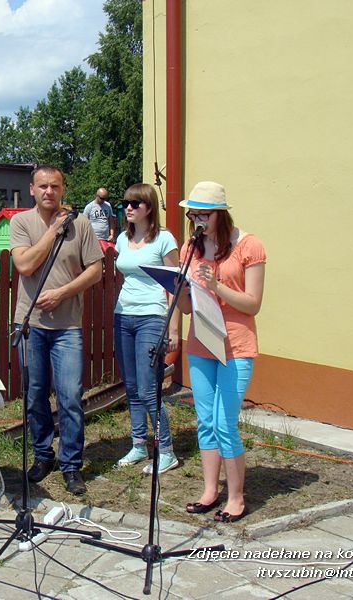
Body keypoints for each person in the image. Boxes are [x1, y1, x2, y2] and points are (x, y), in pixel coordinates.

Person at [10, 165, 104, 495]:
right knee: (35, 395)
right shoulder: (21, 222)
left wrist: (63, 292)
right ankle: (42, 454)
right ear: (32, 189)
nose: (49, 191)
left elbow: (95, 270)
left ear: (63, 189)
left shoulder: (81, 225)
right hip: (30, 325)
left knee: (70, 397)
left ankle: (71, 465)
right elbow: (24, 264)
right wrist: (53, 231)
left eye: (55, 186)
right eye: (43, 186)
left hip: (68, 327)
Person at [176, 181, 266, 523]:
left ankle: (237, 497)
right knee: (206, 421)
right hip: (201, 343)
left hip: (236, 345)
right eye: (193, 213)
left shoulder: (248, 245)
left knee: (226, 422)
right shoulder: (191, 248)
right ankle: (210, 491)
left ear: (220, 214)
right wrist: (178, 289)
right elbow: (185, 308)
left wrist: (217, 286)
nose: (197, 219)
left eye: (204, 213)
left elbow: (253, 304)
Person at [113, 183, 180, 475]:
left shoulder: (164, 240)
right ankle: (139, 444)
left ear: (149, 208)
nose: (128, 207)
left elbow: (176, 288)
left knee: (148, 387)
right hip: (123, 316)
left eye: (135, 203)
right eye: (126, 202)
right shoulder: (121, 240)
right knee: (131, 385)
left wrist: (173, 329)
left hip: (152, 317)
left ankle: (166, 450)